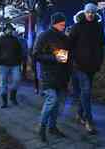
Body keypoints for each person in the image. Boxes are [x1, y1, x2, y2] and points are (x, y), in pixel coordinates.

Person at [33, 12, 71, 142]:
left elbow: (67, 57)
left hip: (62, 76)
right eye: (61, 24)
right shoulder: (44, 36)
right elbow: (36, 54)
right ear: (54, 23)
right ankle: (41, 127)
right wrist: (54, 58)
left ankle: (52, 127)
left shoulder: (64, 38)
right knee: (52, 100)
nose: (63, 27)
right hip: (48, 74)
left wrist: (68, 70)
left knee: (58, 104)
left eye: (64, 25)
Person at [69, 3, 105, 134]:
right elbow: (69, 44)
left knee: (84, 93)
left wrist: (100, 61)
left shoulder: (99, 27)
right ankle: (89, 120)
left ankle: (79, 114)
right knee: (86, 92)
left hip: (92, 66)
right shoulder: (77, 27)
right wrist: (67, 61)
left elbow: (102, 46)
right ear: (84, 12)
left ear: (95, 14)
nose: (90, 14)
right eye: (88, 12)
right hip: (79, 66)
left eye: (93, 12)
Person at [0, 23, 23, 108]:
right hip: (3, 64)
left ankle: (12, 96)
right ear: (5, 30)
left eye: (11, 29)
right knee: (3, 83)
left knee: (17, 80)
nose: (10, 31)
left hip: (15, 64)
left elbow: (20, 52)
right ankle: (4, 101)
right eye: (9, 29)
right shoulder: (0, 39)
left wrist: (21, 63)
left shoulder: (16, 40)